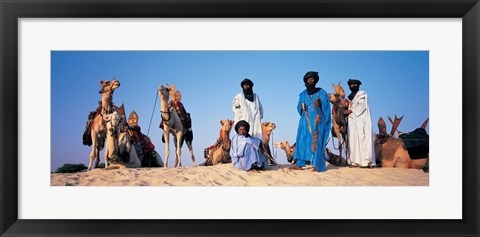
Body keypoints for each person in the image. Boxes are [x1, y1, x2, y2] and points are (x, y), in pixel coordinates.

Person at [291, 71, 331, 172]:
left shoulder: (322, 92)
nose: (311, 81)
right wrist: (301, 106)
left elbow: (326, 107)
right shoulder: (302, 94)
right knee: (301, 141)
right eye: (309, 79)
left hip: (317, 120)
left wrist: (320, 104)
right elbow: (298, 108)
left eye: (313, 79)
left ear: (316, 80)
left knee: (316, 141)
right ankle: (300, 163)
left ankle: (317, 165)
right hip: (304, 121)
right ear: (306, 81)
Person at [344, 79, 375, 167]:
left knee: (362, 138)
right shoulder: (350, 98)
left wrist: (350, 111)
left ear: (358, 85)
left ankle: (365, 162)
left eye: (354, 84)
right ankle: (354, 161)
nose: (353, 86)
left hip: (361, 120)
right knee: (353, 139)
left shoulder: (362, 94)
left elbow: (361, 107)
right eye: (351, 85)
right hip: (353, 121)